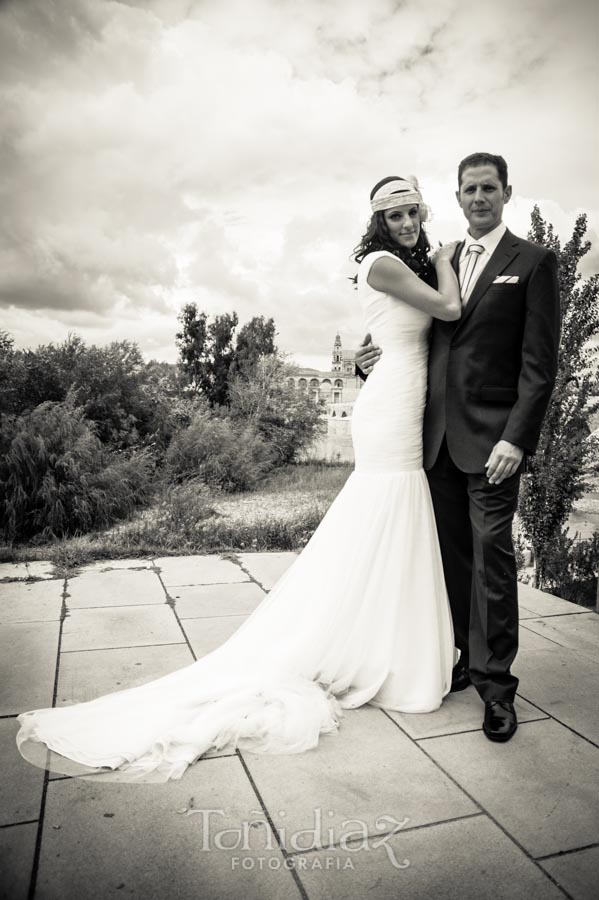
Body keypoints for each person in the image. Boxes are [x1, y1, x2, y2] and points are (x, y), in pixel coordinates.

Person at [16, 175, 461, 783]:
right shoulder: (386, 262)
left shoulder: (393, 265)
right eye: (398, 215)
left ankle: (380, 642)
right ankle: (370, 646)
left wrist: (365, 350)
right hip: (389, 410)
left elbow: (385, 334)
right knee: (387, 506)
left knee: (390, 520)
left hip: (403, 397)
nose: (408, 223)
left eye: (415, 213)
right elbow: (450, 309)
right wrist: (442, 261)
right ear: (379, 222)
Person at [356, 153, 561, 743]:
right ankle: (468, 662)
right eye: (469, 188)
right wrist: (367, 361)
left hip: (494, 443)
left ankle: (498, 689)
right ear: (456, 196)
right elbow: (410, 335)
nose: (478, 197)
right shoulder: (435, 259)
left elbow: (539, 365)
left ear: (506, 193)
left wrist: (517, 439)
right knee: (451, 561)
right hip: (433, 440)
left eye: (488, 188)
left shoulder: (533, 261)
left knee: (492, 558)